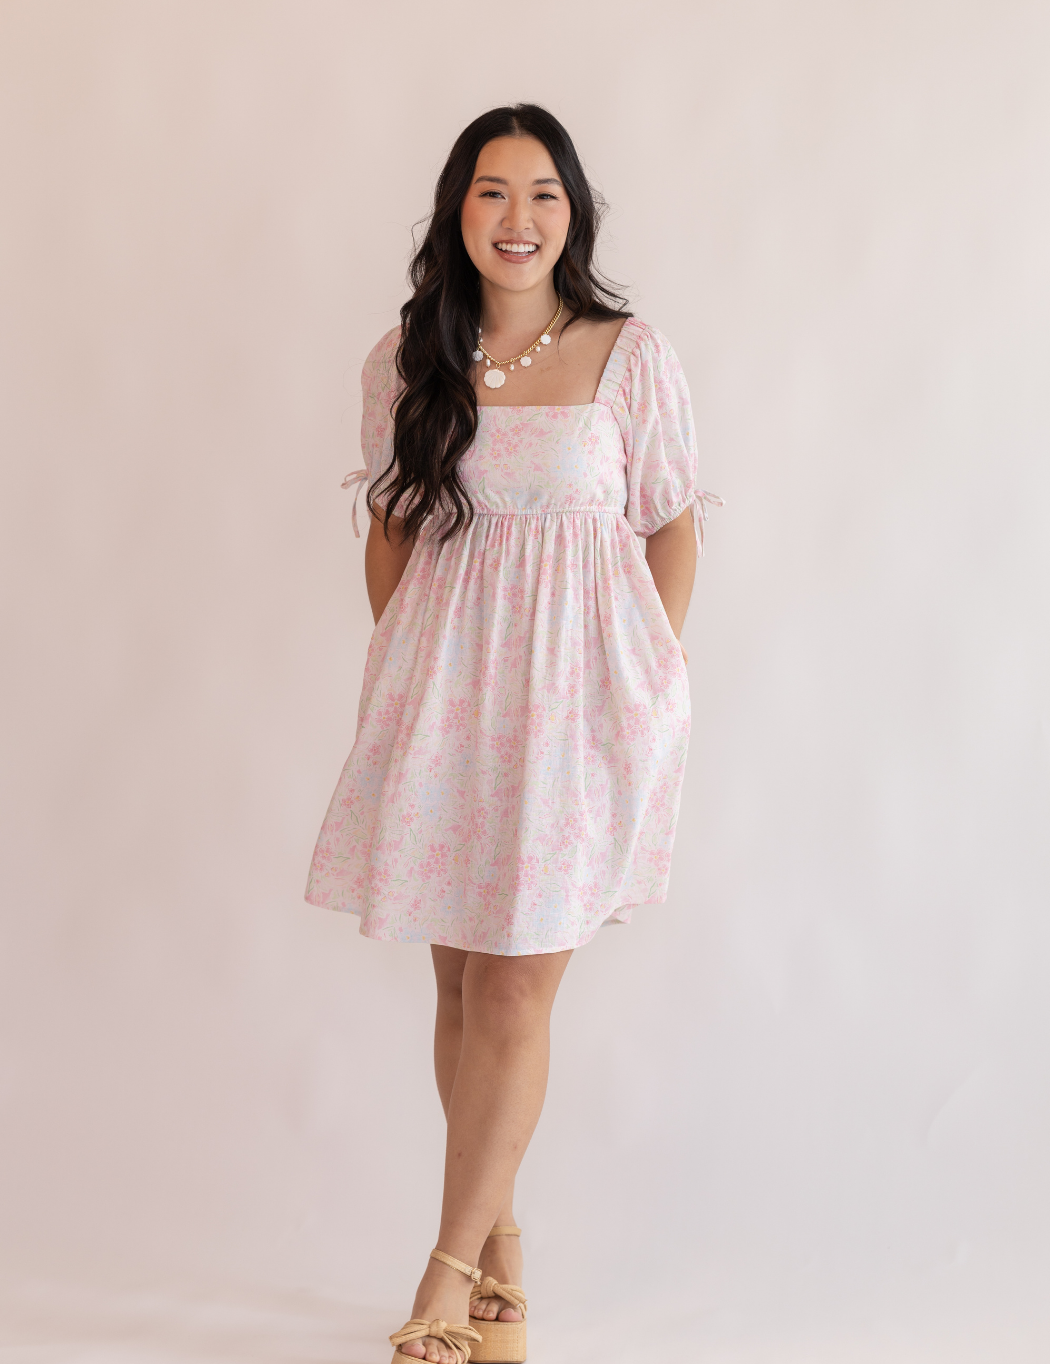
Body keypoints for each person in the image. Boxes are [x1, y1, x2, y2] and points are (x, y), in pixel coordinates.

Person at [306, 103, 720, 1364]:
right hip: (446, 706)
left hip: (582, 710)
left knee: (515, 982)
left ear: (575, 213)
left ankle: (443, 1278)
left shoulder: (628, 353)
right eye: (493, 193)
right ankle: (503, 1245)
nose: (519, 219)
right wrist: (414, 667)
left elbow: (672, 522)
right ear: (457, 210)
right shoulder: (404, 359)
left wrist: (646, 673)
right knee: (455, 981)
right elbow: (391, 531)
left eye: (544, 194)